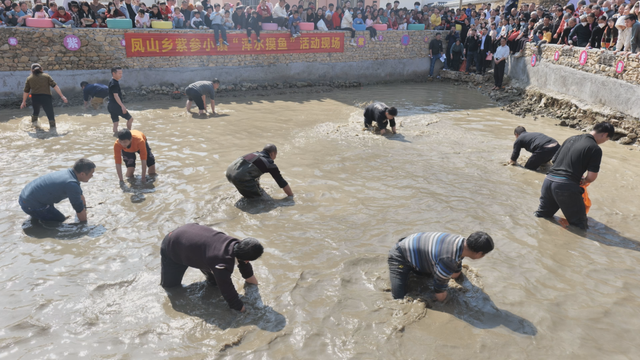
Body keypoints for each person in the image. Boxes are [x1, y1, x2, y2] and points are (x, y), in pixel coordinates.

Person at [160, 223, 262, 312]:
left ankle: (210, 278)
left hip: (196, 242)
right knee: (171, 287)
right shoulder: (221, 264)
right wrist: (241, 309)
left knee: (214, 284)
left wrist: (255, 286)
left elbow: (246, 270)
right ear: (247, 259)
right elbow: (227, 290)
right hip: (172, 245)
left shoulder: (238, 245)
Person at [534, 122, 615, 229]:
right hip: (565, 187)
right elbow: (591, 177)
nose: (604, 141)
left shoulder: (571, 139)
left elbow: (554, 161)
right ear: (604, 134)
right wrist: (584, 180)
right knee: (580, 226)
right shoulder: (595, 148)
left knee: (542, 216)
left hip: (548, 181)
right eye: (607, 139)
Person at [388, 231, 494, 301]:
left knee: (430, 276)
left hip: (415, 248)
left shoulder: (460, 242)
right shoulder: (449, 260)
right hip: (400, 256)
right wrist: (448, 301)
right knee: (399, 299)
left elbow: (456, 273)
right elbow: (439, 292)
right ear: (479, 253)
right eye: (484, 254)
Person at [19, 158, 95, 223]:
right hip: (30, 204)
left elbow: (80, 197)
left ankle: (37, 218)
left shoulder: (70, 175)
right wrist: (84, 226)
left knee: (45, 217)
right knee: (60, 221)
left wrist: (85, 208)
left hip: (26, 197)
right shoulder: (71, 184)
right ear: (82, 174)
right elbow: (78, 208)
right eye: (91, 173)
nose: (92, 176)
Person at [226, 144, 294, 199]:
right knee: (259, 200)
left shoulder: (254, 154)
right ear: (272, 154)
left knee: (255, 189)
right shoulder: (269, 163)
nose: (274, 158)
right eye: (275, 155)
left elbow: (251, 171)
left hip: (229, 173)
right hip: (240, 178)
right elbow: (281, 181)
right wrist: (291, 196)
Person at [21, 63, 68, 128]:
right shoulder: (46, 76)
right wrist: (62, 96)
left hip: (35, 98)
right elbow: (55, 86)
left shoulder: (29, 78)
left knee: (35, 112)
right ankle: (53, 130)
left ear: (32, 70)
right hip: (46, 98)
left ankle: (34, 127)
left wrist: (23, 101)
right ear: (41, 69)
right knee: (50, 114)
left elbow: (26, 91)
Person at [108, 66, 133, 134]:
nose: (121, 75)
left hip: (110, 105)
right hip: (116, 106)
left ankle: (115, 136)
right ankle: (129, 134)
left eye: (121, 73)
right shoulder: (114, 83)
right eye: (119, 73)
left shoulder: (112, 81)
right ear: (114, 73)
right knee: (130, 119)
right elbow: (116, 96)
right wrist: (122, 106)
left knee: (115, 123)